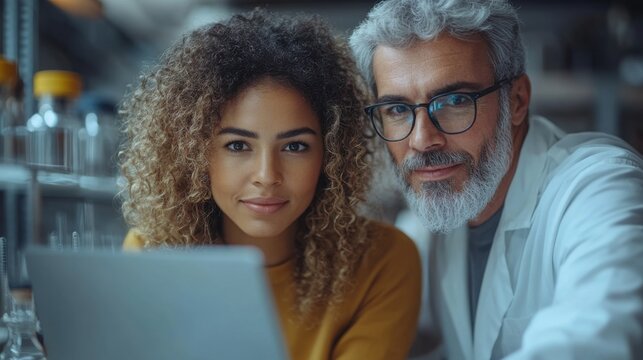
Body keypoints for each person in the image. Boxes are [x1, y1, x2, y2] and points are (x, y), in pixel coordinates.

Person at [118, 9, 421, 360]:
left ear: (332, 154)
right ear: (194, 152)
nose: (266, 174)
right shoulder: (150, 255)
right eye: (237, 146)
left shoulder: (382, 263)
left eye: (295, 147)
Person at [350, 0, 643, 359]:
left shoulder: (598, 186)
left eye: (454, 100)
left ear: (517, 100)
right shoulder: (432, 225)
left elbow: (596, 341)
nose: (422, 140)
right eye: (397, 109)